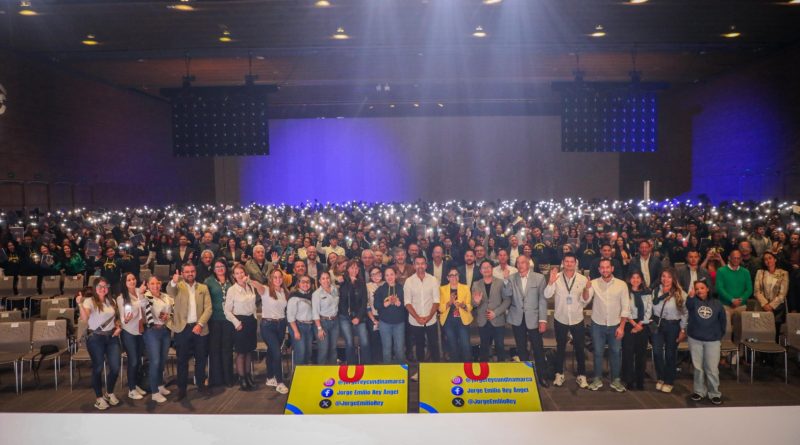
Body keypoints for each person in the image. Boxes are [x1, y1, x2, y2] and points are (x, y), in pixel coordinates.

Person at [167, 262, 213, 400]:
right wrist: (173, 282)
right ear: (182, 273)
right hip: (182, 329)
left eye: (192, 271)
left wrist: (200, 324)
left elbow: (208, 308)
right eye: (187, 271)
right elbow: (170, 291)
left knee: (201, 359)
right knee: (182, 361)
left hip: (200, 328)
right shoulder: (178, 287)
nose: (190, 274)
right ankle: (182, 389)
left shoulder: (203, 287)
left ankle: (200, 385)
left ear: (195, 272)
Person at [583, 258, 630, 392]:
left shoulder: (621, 285)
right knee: (598, 352)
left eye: (607, 267)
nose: (605, 270)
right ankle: (597, 379)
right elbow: (585, 300)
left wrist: (621, 327)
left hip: (616, 324)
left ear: (612, 268)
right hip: (598, 324)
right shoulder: (593, 283)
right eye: (602, 267)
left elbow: (625, 307)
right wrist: (586, 289)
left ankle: (615, 380)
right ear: (599, 270)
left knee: (615, 352)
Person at [544, 252, 590, 388]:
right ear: (563, 263)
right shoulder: (556, 277)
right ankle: (559, 374)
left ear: (576, 263)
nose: (569, 264)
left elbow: (585, 301)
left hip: (577, 319)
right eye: (567, 261)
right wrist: (551, 282)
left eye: (572, 261)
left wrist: (586, 290)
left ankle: (582, 375)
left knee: (580, 348)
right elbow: (547, 295)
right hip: (560, 318)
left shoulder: (582, 279)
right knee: (560, 347)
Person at [76, 278, 122, 410]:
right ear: (95, 288)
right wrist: (80, 304)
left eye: (105, 286)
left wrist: (118, 327)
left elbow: (116, 318)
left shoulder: (111, 300)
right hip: (96, 338)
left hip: (112, 337)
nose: (103, 288)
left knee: (115, 367)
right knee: (98, 368)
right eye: (100, 286)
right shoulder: (89, 301)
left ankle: (109, 393)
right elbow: (85, 318)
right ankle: (99, 398)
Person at [505, 255, 550, 388]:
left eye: (522, 263)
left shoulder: (539, 277)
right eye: (518, 263)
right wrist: (506, 280)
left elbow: (542, 300)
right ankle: (526, 376)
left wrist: (543, 320)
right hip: (517, 318)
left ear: (528, 264)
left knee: (538, 348)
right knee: (521, 348)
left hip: (534, 318)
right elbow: (507, 294)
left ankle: (542, 376)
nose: (520, 265)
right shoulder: (512, 278)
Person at [224, 263, 264, 391]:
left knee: (249, 351)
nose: (240, 275)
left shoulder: (250, 287)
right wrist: (237, 323)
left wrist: (254, 319)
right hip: (239, 322)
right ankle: (242, 378)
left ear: (245, 274)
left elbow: (254, 305)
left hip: (250, 321)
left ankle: (248, 376)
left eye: (241, 272)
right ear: (234, 276)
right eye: (237, 273)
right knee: (241, 352)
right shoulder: (232, 290)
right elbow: (227, 311)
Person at [686, 278, 726, 405]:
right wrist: (691, 296)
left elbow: (723, 322)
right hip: (695, 339)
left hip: (712, 340)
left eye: (702, 288)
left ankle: (714, 393)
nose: (699, 291)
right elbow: (688, 305)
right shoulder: (693, 302)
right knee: (698, 368)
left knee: (712, 368)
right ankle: (699, 391)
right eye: (697, 289)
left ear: (708, 289)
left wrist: (718, 336)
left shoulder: (717, 304)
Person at [650, 268, 688, 394]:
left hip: (673, 325)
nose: (665, 279)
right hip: (658, 325)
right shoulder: (655, 290)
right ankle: (661, 377)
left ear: (674, 279)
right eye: (663, 276)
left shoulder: (680, 293)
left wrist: (683, 329)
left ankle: (669, 380)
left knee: (670, 354)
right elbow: (650, 307)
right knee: (656, 352)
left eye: (669, 277)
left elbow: (685, 313)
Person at [404, 255, 441, 371]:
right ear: (414, 265)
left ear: (426, 265)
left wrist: (429, 317)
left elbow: (436, 301)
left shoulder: (433, 279)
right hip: (415, 321)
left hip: (431, 320)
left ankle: (437, 370)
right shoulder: (409, 281)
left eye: (422, 263)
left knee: (434, 345)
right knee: (419, 346)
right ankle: (421, 371)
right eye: (417, 263)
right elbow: (407, 303)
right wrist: (418, 318)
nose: (420, 266)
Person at [471, 259, 511, 362]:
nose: (486, 269)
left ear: (492, 269)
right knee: (484, 348)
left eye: (488, 267)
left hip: (498, 320)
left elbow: (507, 300)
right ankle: (484, 375)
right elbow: (473, 304)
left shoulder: (501, 282)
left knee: (500, 347)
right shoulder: (476, 284)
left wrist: (495, 313)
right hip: (483, 321)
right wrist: (476, 302)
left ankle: (501, 373)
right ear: (480, 271)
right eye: (484, 268)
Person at [141, 276, 173, 403]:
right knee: (155, 361)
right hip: (152, 332)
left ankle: (160, 385)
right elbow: (142, 307)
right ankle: (154, 392)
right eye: (152, 283)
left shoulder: (166, 297)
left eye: (157, 283)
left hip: (165, 331)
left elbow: (172, 310)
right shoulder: (146, 297)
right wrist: (140, 293)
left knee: (162, 361)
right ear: (148, 285)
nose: (155, 285)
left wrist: (168, 316)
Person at [116, 272, 148, 400]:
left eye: (133, 279)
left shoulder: (138, 291)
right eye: (129, 280)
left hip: (140, 329)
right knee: (133, 361)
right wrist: (140, 297)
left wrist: (141, 295)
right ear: (124, 282)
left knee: (139, 360)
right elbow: (124, 319)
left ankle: (136, 384)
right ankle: (131, 389)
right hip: (129, 331)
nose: (132, 281)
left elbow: (144, 305)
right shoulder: (121, 297)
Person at [205, 259, 235, 388]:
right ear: (213, 268)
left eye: (222, 266)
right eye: (217, 266)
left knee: (227, 349)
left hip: (229, 320)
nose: (220, 268)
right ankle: (216, 379)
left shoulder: (232, 280)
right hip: (214, 320)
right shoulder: (208, 281)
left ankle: (228, 378)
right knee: (215, 350)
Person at [621, 270, 652, 391]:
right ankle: (629, 380)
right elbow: (625, 309)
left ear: (642, 279)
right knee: (628, 354)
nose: (635, 280)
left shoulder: (647, 293)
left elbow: (649, 310)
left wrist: (640, 324)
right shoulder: (626, 292)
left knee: (641, 355)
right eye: (633, 277)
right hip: (629, 324)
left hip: (642, 325)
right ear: (629, 279)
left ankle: (640, 380)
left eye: (638, 277)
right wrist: (634, 324)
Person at [259, 269, 289, 394]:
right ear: (271, 279)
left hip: (281, 325)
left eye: (279, 277)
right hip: (268, 325)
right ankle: (279, 382)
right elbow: (257, 285)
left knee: (272, 352)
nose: (277, 279)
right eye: (275, 277)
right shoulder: (265, 290)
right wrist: (249, 280)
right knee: (277, 353)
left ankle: (269, 377)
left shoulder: (284, 291)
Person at [339, 260, 371, 364]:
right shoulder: (342, 282)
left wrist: (358, 317)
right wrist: (350, 284)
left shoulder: (362, 283)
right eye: (352, 268)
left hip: (359, 317)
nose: (354, 270)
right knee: (349, 342)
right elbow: (342, 302)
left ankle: (366, 366)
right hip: (345, 317)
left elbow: (364, 302)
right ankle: (351, 365)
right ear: (347, 269)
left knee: (365, 341)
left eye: (356, 268)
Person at [439, 267, 473, 362]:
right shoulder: (442, 289)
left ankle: (467, 368)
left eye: (456, 275)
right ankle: (455, 368)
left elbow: (470, 306)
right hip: (448, 321)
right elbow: (440, 308)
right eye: (451, 275)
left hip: (463, 320)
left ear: (458, 276)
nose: (453, 277)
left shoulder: (465, 288)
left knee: (465, 345)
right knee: (452, 345)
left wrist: (463, 305)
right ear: (447, 277)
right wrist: (449, 303)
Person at [374, 267, 406, 363]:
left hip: (399, 323)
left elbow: (407, 304)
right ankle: (388, 373)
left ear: (395, 275)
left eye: (391, 274)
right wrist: (384, 304)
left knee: (399, 349)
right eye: (387, 275)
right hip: (385, 323)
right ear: (384, 277)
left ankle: (401, 373)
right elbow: (376, 305)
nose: (389, 277)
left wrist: (400, 304)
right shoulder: (380, 289)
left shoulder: (401, 288)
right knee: (386, 349)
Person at [753, 251, 789, 335]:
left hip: (777, 309)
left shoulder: (783, 273)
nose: (768, 261)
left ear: (775, 259)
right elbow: (757, 291)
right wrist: (765, 305)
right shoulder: (760, 272)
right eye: (765, 259)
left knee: (774, 334)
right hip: (761, 307)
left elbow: (783, 293)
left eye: (770, 258)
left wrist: (771, 306)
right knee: (761, 333)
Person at [715, 249, 753, 326]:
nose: (736, 260)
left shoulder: (745, 272)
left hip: (741, 305)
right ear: (729, 258)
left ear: (741, 259)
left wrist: (740, 300)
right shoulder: (721, 271)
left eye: (738, 258)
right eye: (734, 258)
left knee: (740, 331)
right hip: (725, 305)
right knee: (725, 330)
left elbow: (749, 289)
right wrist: (732, 300)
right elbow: (719, 288)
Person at [312, 271, 340, 365]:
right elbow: (315, 312)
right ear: (319, 281)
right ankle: (321, 374)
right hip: (322, 323)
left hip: (335, 321)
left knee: (333, 348)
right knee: (323, 349)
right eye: (323, 278)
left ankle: (332, 372)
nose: (326, 280)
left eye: (327, 278)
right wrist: (319, 329)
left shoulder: (334, 289)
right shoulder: (316, 294)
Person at [287, 275, 315, 368]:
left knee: (308, 352)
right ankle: (297, 378)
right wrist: (295, 331)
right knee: (301, 352)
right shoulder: (294, 296)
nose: (305, 284)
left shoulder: (313, 295)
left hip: (309, 326)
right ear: (298, 283)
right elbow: (290, 316)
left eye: (308, 282)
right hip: (298, 326)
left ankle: (305, 377)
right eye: (303, 282)